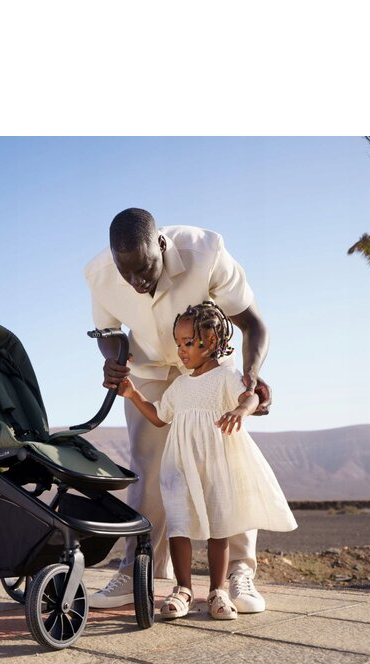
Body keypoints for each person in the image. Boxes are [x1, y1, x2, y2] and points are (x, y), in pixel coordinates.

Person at [84, 207, 272, 613]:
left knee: (228, 466)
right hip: (149, 369)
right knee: (148, 469)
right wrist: (113, 359)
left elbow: (253, 324)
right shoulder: (100, 274)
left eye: (145, 269)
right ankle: (139, 570)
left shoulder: (206, 252)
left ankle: (239, 573)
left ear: (161, 245)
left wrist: (251, 376)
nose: (137, 282)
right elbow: (109, 333)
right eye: (127, 273)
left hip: (207, 365)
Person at [116, 301, 297, 619]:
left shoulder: (226, 376)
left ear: (211, 341)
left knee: (219, 528)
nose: (181, 350)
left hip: (216, 467)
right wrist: (133, 394)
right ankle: (183, 589)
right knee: (178, 526)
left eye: (187, 343)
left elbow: (251, 396)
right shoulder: (180, 385)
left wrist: (240, 410)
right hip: (179, 467)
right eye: (178, 343)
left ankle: (217, 591)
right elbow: (159, 417)